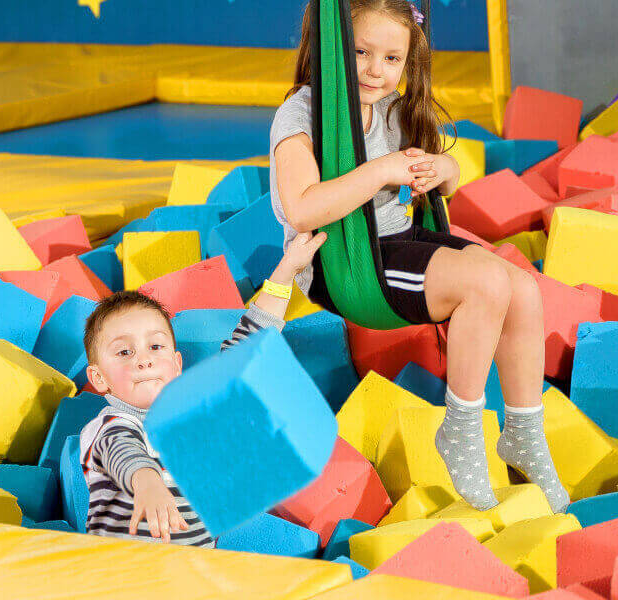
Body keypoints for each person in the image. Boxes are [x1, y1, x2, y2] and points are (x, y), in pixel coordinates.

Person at [270, 0, 570, 511]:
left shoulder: (395, 107)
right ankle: (461, 428)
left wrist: (439, 170)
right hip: (344, 263)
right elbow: (301, 210)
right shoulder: (302, 112)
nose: (375, 70)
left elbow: (448, 176)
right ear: (333, 47)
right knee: (486, 285)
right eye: (361, 52)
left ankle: (523, 430)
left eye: (392, 59)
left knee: (521, 288)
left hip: (400, 241)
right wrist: (383, 170)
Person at [77, 231, 327, 546]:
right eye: (124, 352)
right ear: (99, 378)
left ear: (177, 364)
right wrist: (147, 482)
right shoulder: (109, 426)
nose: (144, 360)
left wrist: (286, 270)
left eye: (155, 346)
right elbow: (122, 452)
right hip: (125, 577)